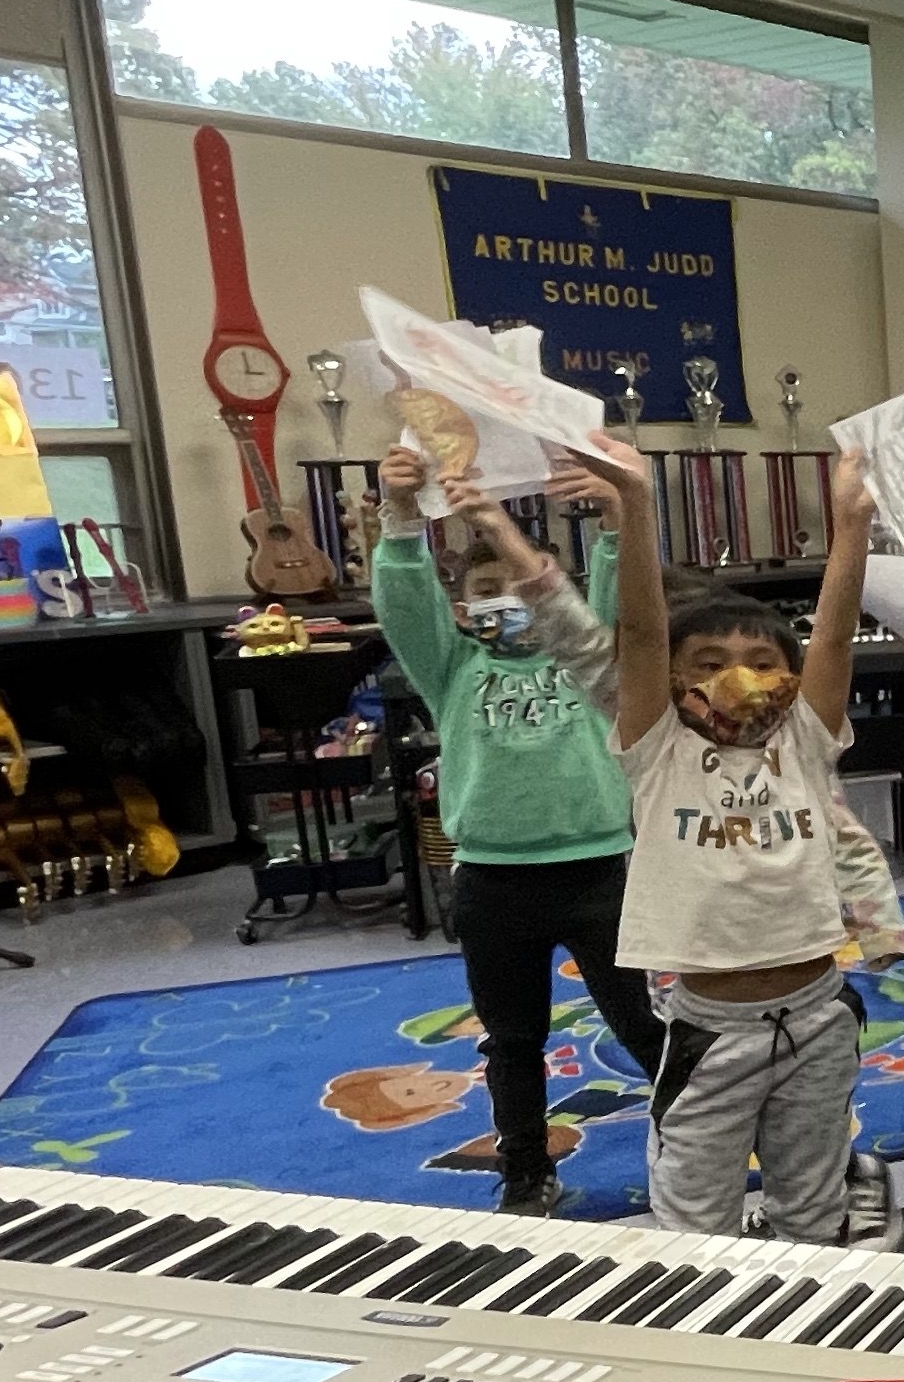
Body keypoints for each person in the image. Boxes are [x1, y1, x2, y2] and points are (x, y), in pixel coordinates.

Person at [368, 450, 659, 1214]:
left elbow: (618, 603)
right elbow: (404, 603)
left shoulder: (589, 659)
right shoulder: (451, 666)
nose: (505, 600)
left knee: (639, 1021)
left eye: (518, 586)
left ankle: (701, 1129)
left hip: (597, 868)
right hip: (492, 880)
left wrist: (613, 522)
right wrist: (400, 519)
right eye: (484, 590)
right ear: (462, 608)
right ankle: (526, 1171)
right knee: (512, 1038)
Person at [610, 447, 878, 1246]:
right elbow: (640, 632)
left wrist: (852, 526)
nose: (742, 677)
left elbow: (834, 639)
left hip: (819, 1016)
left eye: (764, 663)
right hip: (712, 1030)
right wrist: (636, 503)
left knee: (815, 1204)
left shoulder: (803, 740)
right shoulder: (658, 748)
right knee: (695, 1219)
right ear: (674, 681)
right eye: (710, 663)